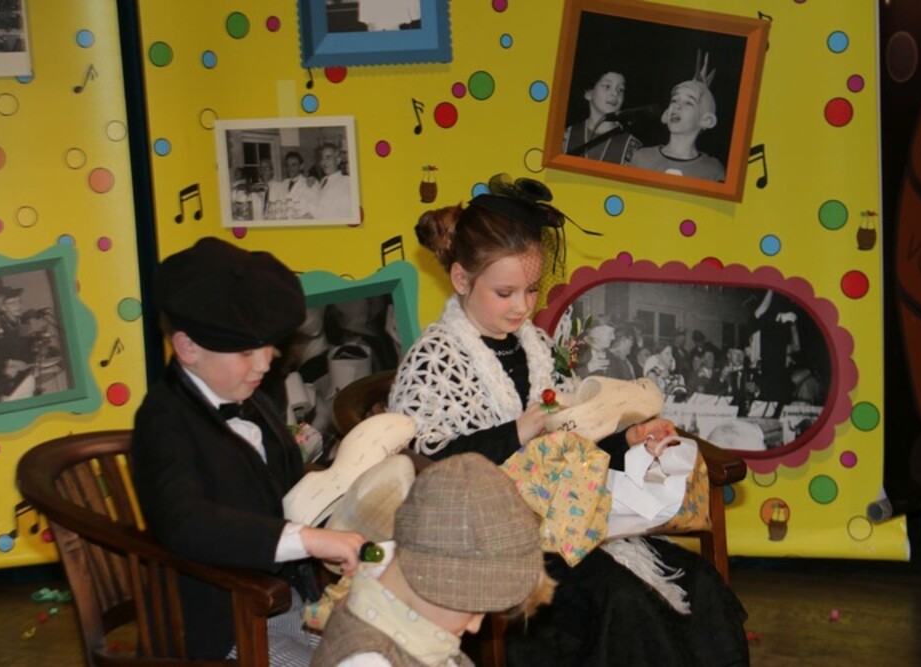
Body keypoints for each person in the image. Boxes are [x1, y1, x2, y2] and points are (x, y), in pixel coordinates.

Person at [388, 174, 749, 666]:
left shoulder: (535, 347)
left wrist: (629, 437)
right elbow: (425, 473)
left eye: (532, 290)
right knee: (621, 602)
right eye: (505, 292)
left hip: (570, 523)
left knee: (697, 583)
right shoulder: (434, 360)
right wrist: (519, 431)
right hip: (493, 546)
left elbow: (577, 442)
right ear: (461, 280)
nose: (522, 306)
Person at [131, 237, 364, 664]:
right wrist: (306, 540)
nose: (264, 363)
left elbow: (286, 488)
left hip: (285, 603)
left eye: (269, 346)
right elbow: (186, 522)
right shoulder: (163, 421)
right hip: (219, 626)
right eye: (245, 352)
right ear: (188, 348)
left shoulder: (252, 397)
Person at [313, 452, 554, 667]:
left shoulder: (399, 614)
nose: (475, 627)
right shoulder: (368, 661)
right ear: (439, 579)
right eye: (474, 610)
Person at [630, 51, 726, 181]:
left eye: (689, 102)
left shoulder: (712, 171)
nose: (677, 106)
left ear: (707, 120)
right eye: (674, 100)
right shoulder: (641, 158)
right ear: (666, 114)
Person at [561, 69, 642, 165]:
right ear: (588, 93)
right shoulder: (565, 137)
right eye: (607, 86)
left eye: (620, 89)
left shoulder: (632, 147)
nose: (615, 93)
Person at [309, 143, 353, 220]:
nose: (324, 162)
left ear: (338, 160)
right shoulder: (324, 180)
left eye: (328, 157)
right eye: (322, 158)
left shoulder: (345, 182)